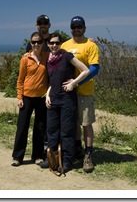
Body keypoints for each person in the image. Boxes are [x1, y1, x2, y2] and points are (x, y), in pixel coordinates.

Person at [41, 33, 89, 173]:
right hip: (53, 99)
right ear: (48, 44)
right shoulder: (48, 59)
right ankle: (52, 159)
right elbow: (52, 80)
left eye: (56, 43)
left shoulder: (67, 56)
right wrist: (48, 95)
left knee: (67, 131)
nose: (54, 45)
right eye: (51, 43)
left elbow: (85, 71)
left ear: (60, 43)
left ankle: (67, 161)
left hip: (67, 99)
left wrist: (73, 83)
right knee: (52, 130)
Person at [60, 16, 100, 173]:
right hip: (67, 92)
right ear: (70, 28)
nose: (76, 29)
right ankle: (77, 149)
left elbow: (95, 69)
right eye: (74, 27)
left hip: (84, 91)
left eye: (79, 26)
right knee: (73, 123)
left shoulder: (91, 45)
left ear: (84, 28)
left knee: (86, 123)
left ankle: (88, 154)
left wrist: (76, 83)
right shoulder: (64, 45)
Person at [11, 32, 50, 167]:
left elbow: (62, 51)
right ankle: (17, 157)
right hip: (27, 97)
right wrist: (19, 97)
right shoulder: (25, 59)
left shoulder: (47, 56)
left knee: (40, 128)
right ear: (31, 43)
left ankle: (37, 155)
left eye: (39, 42)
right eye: (33, 42)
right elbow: (20, 80)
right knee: (22, 127)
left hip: (41, 98)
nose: (36, 44)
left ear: (43, 43)